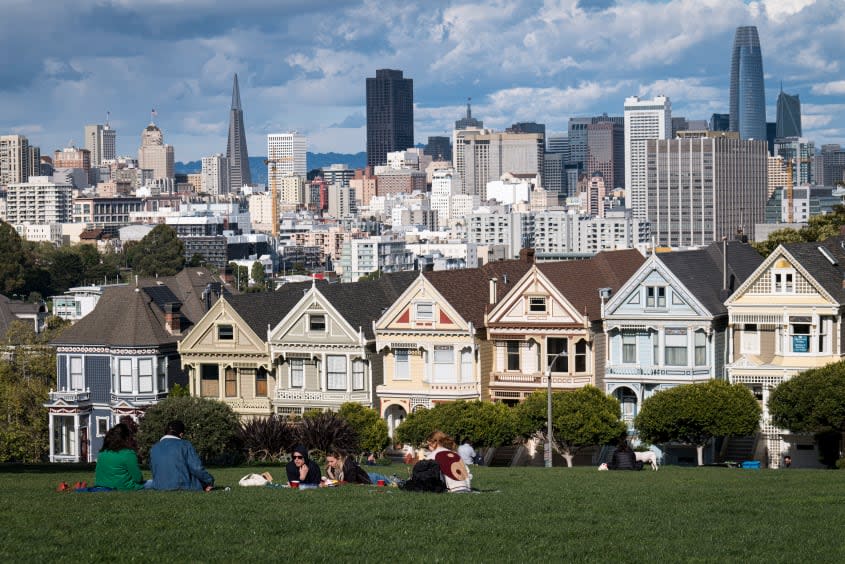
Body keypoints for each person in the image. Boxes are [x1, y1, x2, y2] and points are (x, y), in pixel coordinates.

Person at [149, 420, 214, 491]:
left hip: (159, 486)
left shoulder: (154, 447)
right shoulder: (185, 445)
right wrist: (209, 481)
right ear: (181, 434)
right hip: (182, 486)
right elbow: (196, 468)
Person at [93, 423, 146, 491]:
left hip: (102, 486)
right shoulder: (128, 453)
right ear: (127, 437)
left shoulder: (102, 453)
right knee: (151, 482)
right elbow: (138, 479)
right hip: (124, 487)